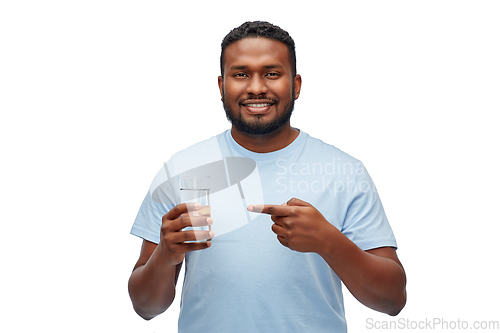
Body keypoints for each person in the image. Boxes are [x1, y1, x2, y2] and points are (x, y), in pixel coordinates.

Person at [128, 21, 406, 332]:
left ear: (296, 85)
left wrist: (330, 243)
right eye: (241, 74)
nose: (257, 87)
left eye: (272, 73)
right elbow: (145, 307)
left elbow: (392, 300)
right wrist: (165, 256)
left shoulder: (344, 171)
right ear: (221, 86)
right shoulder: (181, 170)